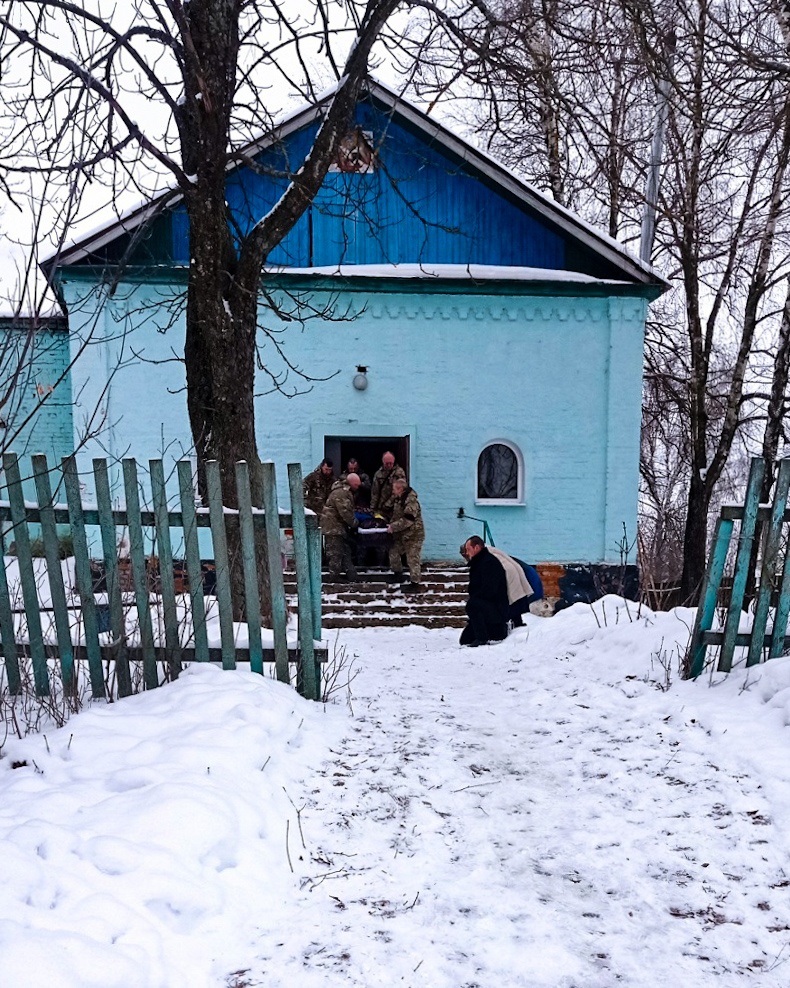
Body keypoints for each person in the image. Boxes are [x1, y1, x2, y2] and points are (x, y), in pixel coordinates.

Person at [459, 535, 509, 646]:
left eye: (468, 549)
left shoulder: (489, 562)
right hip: (484, 606)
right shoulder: (478, 562)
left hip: (495, 607)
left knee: (472, 605)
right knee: (465, 640)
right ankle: (486, 632)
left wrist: (476, 599)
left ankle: (482, 638)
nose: (467, 553)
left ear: (477, 548)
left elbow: (490, 589)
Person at [320, 473, 362, 581]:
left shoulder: (343, 491)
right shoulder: (341, 493)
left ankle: (351, 575)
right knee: (336, 552)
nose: (358, 487)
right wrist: (355, 523)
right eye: (357, 485)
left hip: (338, 527)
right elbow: (345, 512)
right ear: (351, 483)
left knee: (345, 551)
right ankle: (334, 577)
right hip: (333, 527)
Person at [387, 477, 425, 592]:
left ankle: (415, 583)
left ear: (400, 489)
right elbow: (397, 514)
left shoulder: (411, 500)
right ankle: (398, 574)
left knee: (412, 558)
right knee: (394, 551)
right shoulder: (399, 499)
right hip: (402, 534)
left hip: (414, 535)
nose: (393, 491)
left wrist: (393, 526)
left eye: (394, 489)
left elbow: (409, 519)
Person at [370, 451, 406, 521]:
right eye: (387, 463)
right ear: (383, 462)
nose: (389, 465)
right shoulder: (378, 474)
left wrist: (388, 504)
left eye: (391, 463)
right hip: (382, 508)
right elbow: (375, 493)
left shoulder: (399, 473)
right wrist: (373, 508)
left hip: (394, 507)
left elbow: (400, 490)